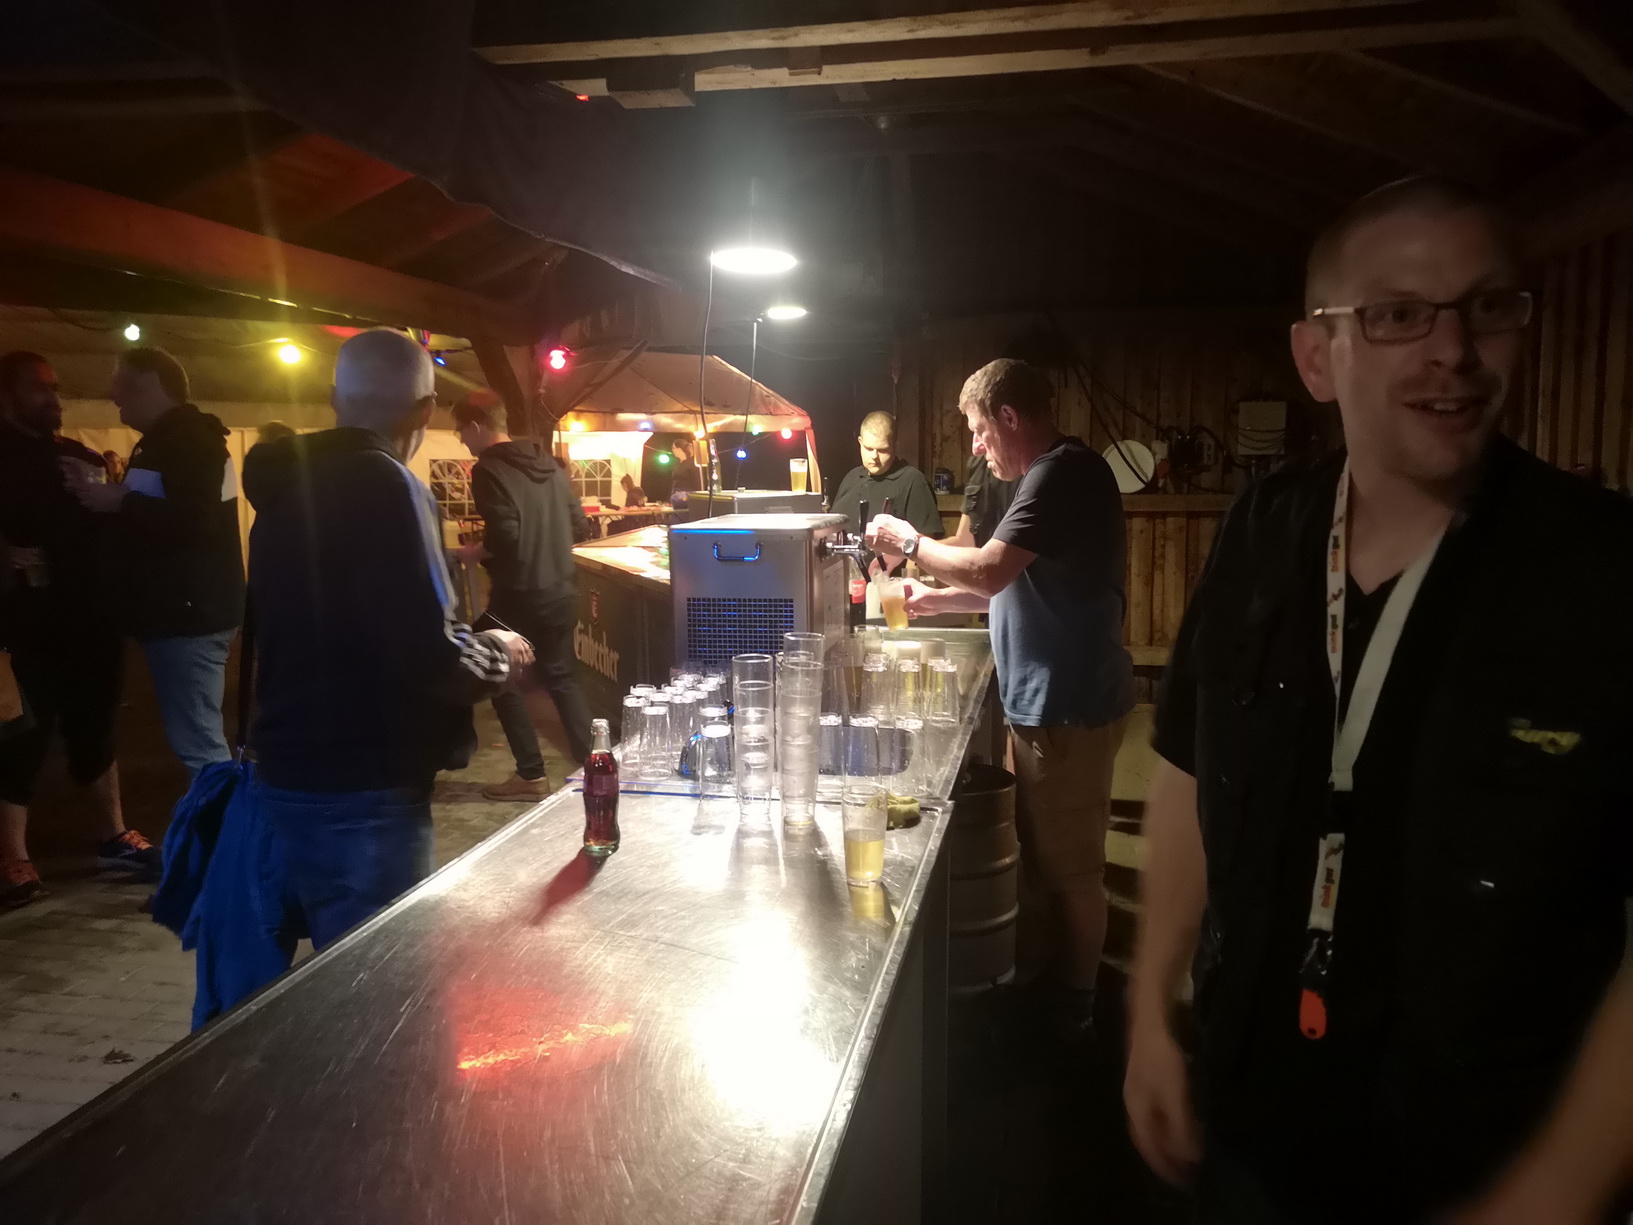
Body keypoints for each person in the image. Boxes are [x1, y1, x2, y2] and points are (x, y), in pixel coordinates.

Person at [1124, 177, 1633, 1224]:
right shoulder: (1263, 527)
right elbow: (1184, 767)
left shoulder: (1601, 570)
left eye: (1487, 307)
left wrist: (1555, 1189)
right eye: (1400, 314)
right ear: (1318, 356)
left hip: (1481, 1166)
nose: (1453, 350)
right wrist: (1148, 1009)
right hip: (1246, 1120)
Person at [866, 361, 1133, 1038]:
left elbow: (987, 568)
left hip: (1067, 705)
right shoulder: (1048, 475)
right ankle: (1053, 986)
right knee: (1046, 860)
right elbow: (1010, 583)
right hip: (1045, 703)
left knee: (1073, 873)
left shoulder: (1059, 474)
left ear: (1009, 417)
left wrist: (911, 543)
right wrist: (932, 601)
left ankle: (1077, 1011)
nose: (977, 446)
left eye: (980, 430)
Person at [242, 330, 531, 951]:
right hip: (365, 786)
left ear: (333, 399)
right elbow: (428, 655)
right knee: (375, 982)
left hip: (284, 774)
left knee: (292, 991)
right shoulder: (389, 485)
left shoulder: (282, 485)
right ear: (425, 411)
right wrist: (498, 654)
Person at [0, 351, 160, 905]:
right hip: (23, 624)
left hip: (90, 620)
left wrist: (111, 494)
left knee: (94, 724)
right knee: (20, 736)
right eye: (38, 388)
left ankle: (113, 834)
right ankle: (14, 857)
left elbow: (111, 528)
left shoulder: (77, 456)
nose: (53, 398)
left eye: (54, 386)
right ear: (6, 396)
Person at [65, 348, 243, 777]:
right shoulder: (169, 441)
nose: (114, 398)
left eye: (122, 387)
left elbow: (193, 521)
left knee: (199, 744)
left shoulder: (189, 442)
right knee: (197, 736)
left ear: (149, 387)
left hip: (188, 618)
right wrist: (109, 497)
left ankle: (223, 818)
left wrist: (118, 501)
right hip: (185, 613)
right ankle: (221, 814)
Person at [451, 388, 595, 799]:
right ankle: (597, 768)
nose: (461, 439)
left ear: (477, 425)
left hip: (519, 593)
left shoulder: (488, 469)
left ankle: (531, 775)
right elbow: (579, 526)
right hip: (561, 588)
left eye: (461, 430)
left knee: (495, 670)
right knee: (562, 678)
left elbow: (505, 535)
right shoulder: (547, 462)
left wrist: (472, 553)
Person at [830, 411, 944, 542]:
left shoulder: (913, 481)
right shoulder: (851, 477)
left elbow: (926, 544)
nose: (874, 456)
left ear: (895, 446)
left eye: (882, 450)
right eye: (869, 449)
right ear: (860, 442)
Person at [949, 451, 1016, 548]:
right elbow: (965, 541)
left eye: (981, 435)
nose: (975, 449)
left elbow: (999, 554)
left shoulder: (1034, 470)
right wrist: (924, 544)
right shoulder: (978, 463)